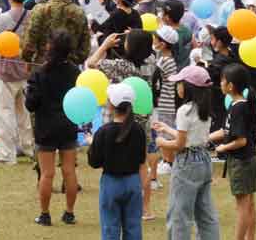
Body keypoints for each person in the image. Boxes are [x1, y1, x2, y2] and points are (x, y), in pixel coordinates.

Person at [151, 65, 220, 240]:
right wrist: (168, 129)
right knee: (205, 214)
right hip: (204, 160)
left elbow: (181, 145)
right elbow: (194, 138)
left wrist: (161, 142)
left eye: (180, 83)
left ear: (189, 87)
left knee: (179, 214)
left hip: (187, 164)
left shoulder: (184, 110)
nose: (177, 87)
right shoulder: (205, 110)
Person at [25, 29, 81, 226]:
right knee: (69, 171)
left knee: (47, 173)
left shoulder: (40, 73)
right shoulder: (76, 72)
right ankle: (69, 213)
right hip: (68, 125)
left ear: (50, 47)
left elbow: (30, 104)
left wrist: (29, 91)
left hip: (45, 127)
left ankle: (45, 214)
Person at [87, 82, 147, 240]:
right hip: (133, 182)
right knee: (133, 228)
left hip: (111, 183)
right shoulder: (138, 130)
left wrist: (92, 143)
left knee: (110, 229)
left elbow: (94, 162)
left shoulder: (103, 132)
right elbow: (142, 161)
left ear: (111, 105)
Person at [210, 63, 256, 240]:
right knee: (249, 204)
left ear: (230, 85)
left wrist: (223, 147)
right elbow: (226, 131)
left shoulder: (238, 107)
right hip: (247, 159)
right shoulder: (237, 104)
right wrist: (207, 138)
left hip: (242, 161)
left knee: (243, 206)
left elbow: (241, 140)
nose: (220, 83)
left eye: (223, 80)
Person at [0, 0, 34, 165]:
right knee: (25, 113)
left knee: (4, 113)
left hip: (6, 72)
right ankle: (29, 147)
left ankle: (6, 154)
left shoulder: (2, 19)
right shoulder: (32, 16)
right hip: (27, 69)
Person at [21, 0, 91, 66]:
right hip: (70, 70)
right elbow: (85, 48)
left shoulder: (40, 10)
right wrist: (72, 63)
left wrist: (29, 61)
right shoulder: (79, 13)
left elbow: (28, 44)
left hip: (42, 68)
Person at [152, 25, 179, 175]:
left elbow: (155, 77)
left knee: (165, 133)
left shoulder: (165, 61)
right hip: (166, 102)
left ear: (162, 44)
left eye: (155, 39)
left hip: (166, 102)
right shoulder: (165, 58)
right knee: (164, 131)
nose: (153, 42)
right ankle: (166, 160)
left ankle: (168, 162)